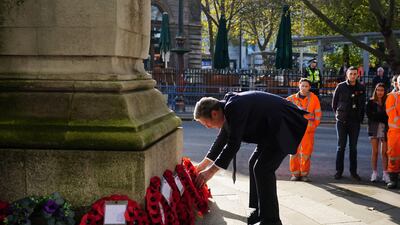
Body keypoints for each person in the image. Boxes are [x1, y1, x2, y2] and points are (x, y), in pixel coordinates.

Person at [193, 91, 308, 225]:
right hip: (270, 131)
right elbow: (222, 139)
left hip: (284, 125)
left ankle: (271, 220)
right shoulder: (227, 108)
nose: (207, 127)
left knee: (262, 169)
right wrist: (202, 166)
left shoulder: (234, 107)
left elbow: (233, 144)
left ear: (214, 113)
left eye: (206, 123)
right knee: (254, 163)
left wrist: (210, 172)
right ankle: (260, 211)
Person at [332, 66, 366, 181]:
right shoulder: (340, 87)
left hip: (355, 122)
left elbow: (362, 105)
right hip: (342, 121)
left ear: (358, 75)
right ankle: (338, 171)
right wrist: (339, 115)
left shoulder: (361, 87)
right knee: (341, 147)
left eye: (354, 74)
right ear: (347, 74)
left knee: (353, 148)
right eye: (350, 73)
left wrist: (360, 118)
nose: (352, 76)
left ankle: (353, 172)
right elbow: (334, 104)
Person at [287, 78, 322, 182]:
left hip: (308, 130)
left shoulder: (314, 98)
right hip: (295, 130)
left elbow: (318, 114)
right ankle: (295, 174)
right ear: (299, 86)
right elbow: (284, 110)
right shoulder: (291, 99)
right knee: (294, 152)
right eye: (302, 86)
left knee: (306, 153)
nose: (304, 88)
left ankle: (304, 174)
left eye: (306, 86)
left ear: (309, 87)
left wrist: (313, 126)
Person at [366, 83, 389, 183]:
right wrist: (382, 116)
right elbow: (370, 116)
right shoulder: (371, 102)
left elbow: (388, 116)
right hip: (373, 128)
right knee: (374, 152)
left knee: (384, 153)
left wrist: (378, 115)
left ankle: (385, 173)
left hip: (385, 128)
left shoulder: (387, 101)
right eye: (378, 90)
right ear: (375, 91)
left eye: (382, 90)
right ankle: (374, 173)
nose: (380, 92)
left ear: (385, 91)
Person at [385, 75, 400, 189]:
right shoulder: (392, 97)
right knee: (393, 156)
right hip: (395, 133)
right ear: (397, 84)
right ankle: (393, 180)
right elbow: (392, 114)